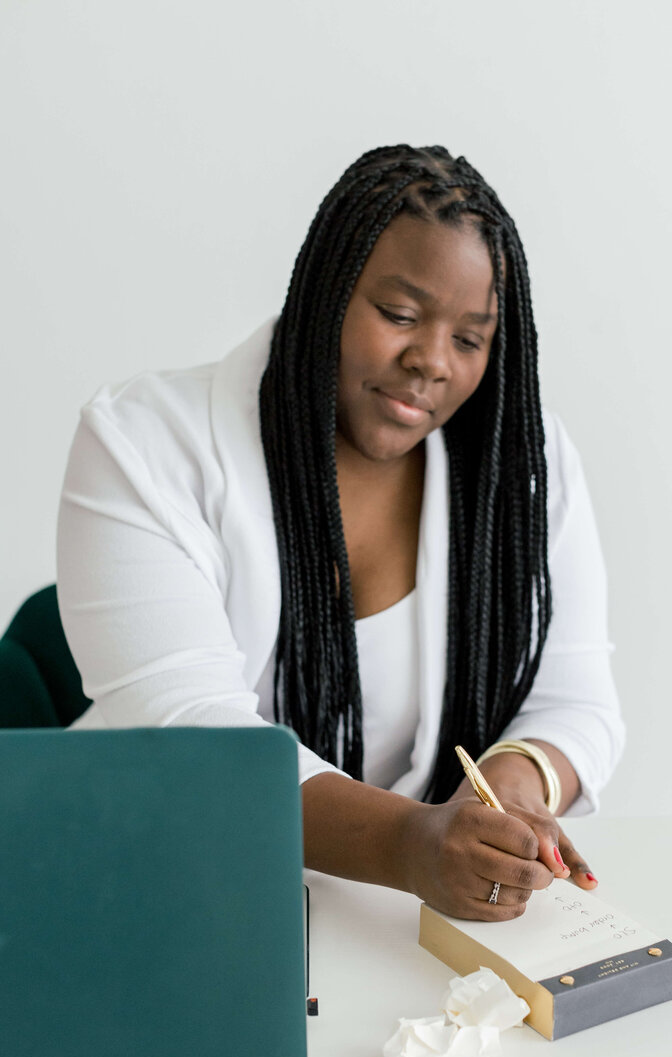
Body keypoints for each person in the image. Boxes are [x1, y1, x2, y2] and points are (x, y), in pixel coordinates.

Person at [57, 144, 625, 921]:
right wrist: (412, 845)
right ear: (327, 293)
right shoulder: (142, 445)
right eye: (399, 315)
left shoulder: (525, 465)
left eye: (469, 338)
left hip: (382, 926)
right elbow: (193, 737)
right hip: (147, 893)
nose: (430, 361)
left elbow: (578, 702)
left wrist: (510, 799)